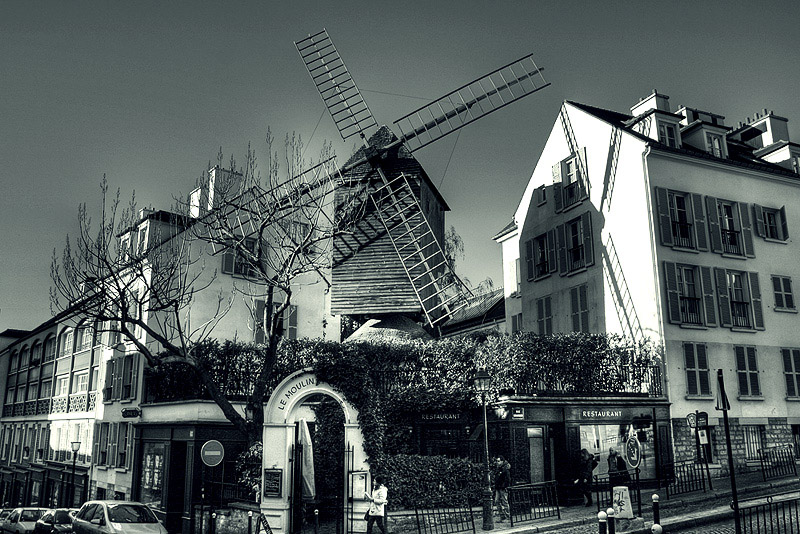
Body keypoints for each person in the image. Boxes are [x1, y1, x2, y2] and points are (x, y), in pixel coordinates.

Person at [493, 456, 511, 522]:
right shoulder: (499, 468)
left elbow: (508, 479)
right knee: (497, 501)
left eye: (498, 461)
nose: (497, 462)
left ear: (502, 461)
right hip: (498, 487)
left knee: (504, 502)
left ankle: (508, 517)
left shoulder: (505, 469)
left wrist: (504, 486)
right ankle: (502, 516)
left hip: (503, 488)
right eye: (497, 461)